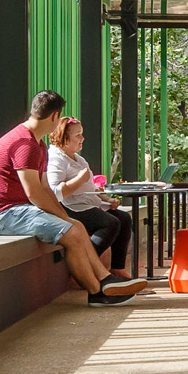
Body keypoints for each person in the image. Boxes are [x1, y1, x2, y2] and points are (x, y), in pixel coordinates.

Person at [0, 90, 146, 305]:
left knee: (75, 227)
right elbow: (34, 193)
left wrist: (66, 218)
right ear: (55, 116)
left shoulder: (37, 144)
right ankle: (98, 291)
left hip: (18, 210)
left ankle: (105, 281)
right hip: (2, 215)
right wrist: (64, 218)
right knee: (73, 231)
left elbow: (45, 188)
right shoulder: (25, 144)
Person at [47, 118, 134, 279]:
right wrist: (79, 179)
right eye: (78, 135)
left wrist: (107, 200)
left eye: (82, 134)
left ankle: (117, 268)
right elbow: (55, 193)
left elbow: (91, 187)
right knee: (110, 223)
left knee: (123, 218)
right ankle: (84, 268)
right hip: (69, 208)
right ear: (64, 139)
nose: (82, 139)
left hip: (87, 204)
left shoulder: (78, 158)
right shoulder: (55, 159)